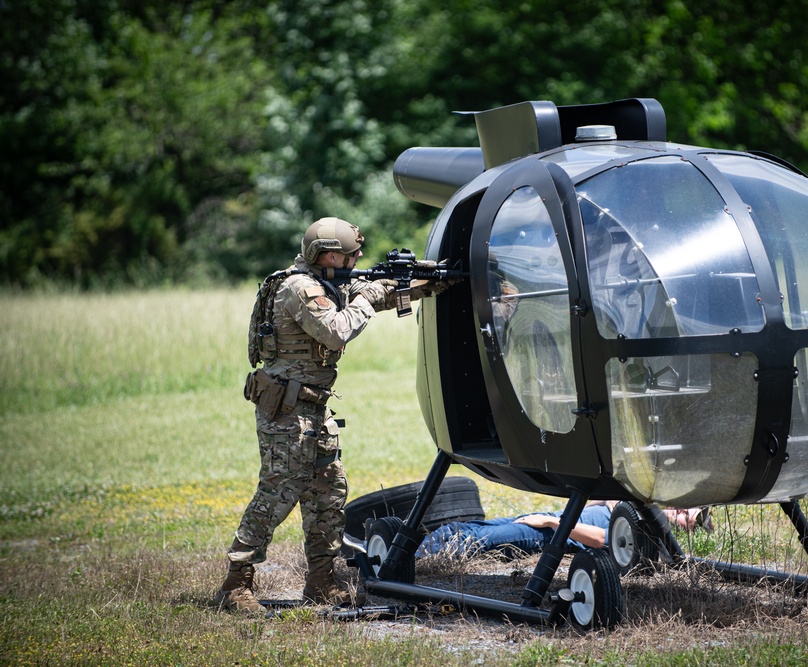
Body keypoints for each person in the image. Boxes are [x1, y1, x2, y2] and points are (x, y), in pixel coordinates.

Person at [214, 217, 439, 613]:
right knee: (278, 494)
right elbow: (336, 330)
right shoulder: (299, 288)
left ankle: (321, 582)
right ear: (330, 255)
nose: (358, 259)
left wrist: (430, 284)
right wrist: (367, 297)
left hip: (313, 408)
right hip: (288, 410)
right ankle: (236, 585)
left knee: (328, 493)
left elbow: (376, 296)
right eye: (353, 254)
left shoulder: (326, 282)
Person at [412, 501, 713, 560]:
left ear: (685, 529)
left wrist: (553, 524)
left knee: (475, 539)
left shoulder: (650, 532)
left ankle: (411, 557)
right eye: (687, 506)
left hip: (552, 531)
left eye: (689, 517)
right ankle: (409, 548)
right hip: (554, 519)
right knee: (466, 527)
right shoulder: (645, 503)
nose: (682, 512)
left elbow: (601, 540)